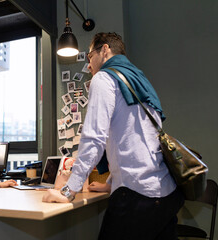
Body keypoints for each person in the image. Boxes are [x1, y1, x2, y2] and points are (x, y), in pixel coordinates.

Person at [42, 32, 184, 240]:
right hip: (165, 194)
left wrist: (68, 191)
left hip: (137, 197)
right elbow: (136, 140)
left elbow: (94, 138)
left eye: (90, 56)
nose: (89, 65)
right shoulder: (139, 79)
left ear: (105, 50)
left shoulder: (104, 77)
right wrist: (111, 182)